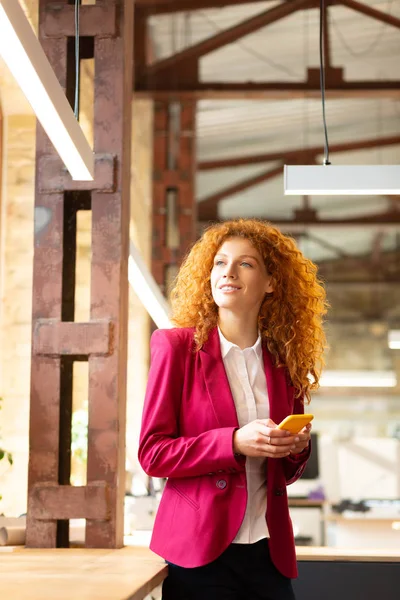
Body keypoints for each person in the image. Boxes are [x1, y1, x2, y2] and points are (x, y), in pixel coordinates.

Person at [138, 218, 327, 600]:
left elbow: (284, 475)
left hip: (267, 549)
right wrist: (235, 442)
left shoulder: (283, 360)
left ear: (271, 282)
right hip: (200, 551)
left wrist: (294, 446)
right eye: (220, 262)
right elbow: (153, 454)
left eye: (246, 263)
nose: (228, 272)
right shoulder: (175, 348)